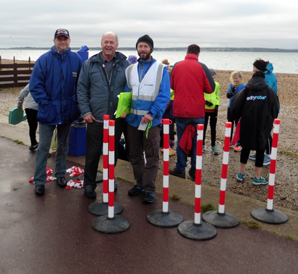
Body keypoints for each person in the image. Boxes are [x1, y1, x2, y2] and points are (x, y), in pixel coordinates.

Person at [77, 32, 130, 199]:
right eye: (106, 42)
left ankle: (109, 179)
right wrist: (85, 112)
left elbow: (130, 89)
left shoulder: (125, 64)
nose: (109, 45)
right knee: (92, 154)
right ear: (101, 44)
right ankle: (89, 184)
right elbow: (81, 89)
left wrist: (125, 109)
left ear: (117, 45)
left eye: (112, 42)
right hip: (95, 119)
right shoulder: (89, 64)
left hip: (116, 120)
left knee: (112, 153)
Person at [29, 29, 82, 196]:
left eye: (65, 39)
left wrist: (76, 105)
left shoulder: (76, 59)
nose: (63, 42)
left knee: (63, 145)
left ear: (69, 40)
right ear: (54, 40)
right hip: (48, 112)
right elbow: (35, 85)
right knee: (43, 147)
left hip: (68, 112)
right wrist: (46, 104)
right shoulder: (44, 60)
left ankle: (60, 174)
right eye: (60, 39)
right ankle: (39, 180)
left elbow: (81, 85)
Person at [121, 34, 171, 204]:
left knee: (152, 156)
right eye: (140, 46)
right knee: (134, 155)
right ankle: (140, 184)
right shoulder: (130, 69)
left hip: (152, 122)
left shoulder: (161, 69)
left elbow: (164, 95)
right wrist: (123, 110)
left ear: (151, 49)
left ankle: (149, 189)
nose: (142, 49)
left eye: (146, 46)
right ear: (137, 48)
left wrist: (152, 113)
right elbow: (127, 94)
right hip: (132, 121)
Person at [169, 44, 215, 179]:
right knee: (197, 141)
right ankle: (194, 170)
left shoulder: (177, 65)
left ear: (187, 52)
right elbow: (210, 89)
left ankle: (180, 168)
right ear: (198, 54)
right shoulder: (202, 67)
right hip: (197, 111)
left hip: (181, 110)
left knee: (181, 140)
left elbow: (171, 85)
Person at [231, 67, 279, 185]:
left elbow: (235, 106)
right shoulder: (269, 91)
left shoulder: (246, 90)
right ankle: (257, 177)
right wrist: (271, 119)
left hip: (247, 122)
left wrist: (240, 116)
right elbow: (275, 107)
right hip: (263, 124)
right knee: (260, 149)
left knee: (245, 146)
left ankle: (241, 173)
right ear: (263, 79)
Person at [249, 59, 278, 165]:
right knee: (258, 131)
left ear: (259, 68)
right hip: (260, 107)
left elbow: (268, 92)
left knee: (265, 131)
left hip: (269, 107)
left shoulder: (268, 76)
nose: (253, 69)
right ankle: (259, 152)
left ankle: (269, 155)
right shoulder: (260, 75)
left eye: (254, 67)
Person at [226, 71, 246, 151]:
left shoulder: (243, 86)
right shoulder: (231, 85)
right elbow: (227, 95)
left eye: (237, 78)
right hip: (230, 106)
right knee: (229, 123)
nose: (235, 80)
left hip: (238, 108)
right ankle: (229, 141)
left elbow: (243, 97)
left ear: (240, 78)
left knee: (238, 125)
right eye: (234, 78)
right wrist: (231, 92)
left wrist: (237, 93)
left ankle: (239, 143)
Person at [203, 68, 220, 155]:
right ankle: (202, 145)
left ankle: (213, 145)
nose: (213, 76)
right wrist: (205, 102)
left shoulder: (217, 84)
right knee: (204, 127)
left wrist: (217, 104)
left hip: (214, 109)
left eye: (214, 74)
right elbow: (200, 95)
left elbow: (217, 96)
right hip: (204, 109)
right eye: (212, 74)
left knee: (213, 128)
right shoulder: (203, 83)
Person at [17, 83, 39, 151]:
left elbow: (22, 93)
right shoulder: (47, 82)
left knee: (32, 127)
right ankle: (43, 146)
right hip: (39, 108)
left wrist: (19, 104)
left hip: (28, 107)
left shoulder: (32, 83)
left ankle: (33, 143)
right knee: (43, 127)